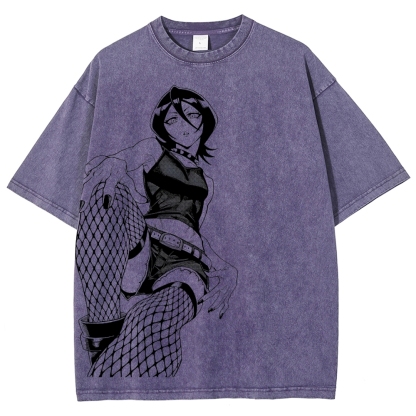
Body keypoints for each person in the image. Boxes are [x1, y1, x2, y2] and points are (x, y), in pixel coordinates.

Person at [76, 85, 238, 377]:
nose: (183, 125)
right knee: (109, 191)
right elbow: (125, 159)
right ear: (163, 126)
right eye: (172, 119)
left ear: (205, 120)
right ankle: (107, 324)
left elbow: (195, 231)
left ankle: (104, 347)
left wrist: (226, 269)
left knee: (150, 319)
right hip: (143, 247)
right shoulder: (152, 150)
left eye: (191, 115)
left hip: (184, 266)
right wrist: (115, 163)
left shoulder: (208, 183)